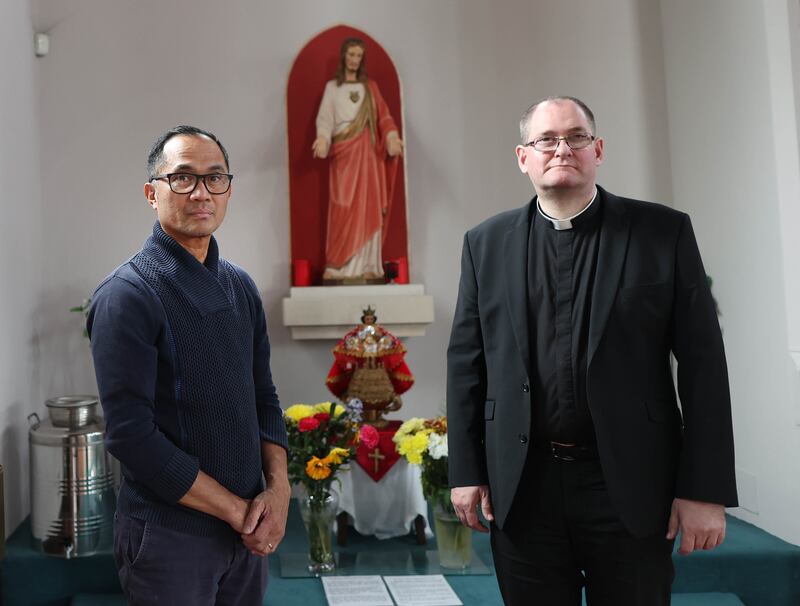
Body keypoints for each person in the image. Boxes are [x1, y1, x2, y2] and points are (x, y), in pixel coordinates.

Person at [446, 97, 737, 605]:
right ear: (524, 157)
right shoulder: (484, 244)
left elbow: (703, 367)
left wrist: (705, 490)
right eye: (547, 140)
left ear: (597, 149)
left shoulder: (662, 233)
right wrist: (466, 472)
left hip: (629, 482)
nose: (562, 149)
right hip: (523, 485)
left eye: (576, 137)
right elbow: (466, 365)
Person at [87, 125, 290, 605]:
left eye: (214, 178)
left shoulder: (240, 287)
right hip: (170, 538)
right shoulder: (127, 295)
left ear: (228, 190)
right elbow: (132, 438)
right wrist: (239, 511)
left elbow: (264, 398)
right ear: (151, 194)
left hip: (245, 536)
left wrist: (278, 492)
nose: (201, 192)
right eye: (182, 178)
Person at [312, 37, 403, 281]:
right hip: (343, 152)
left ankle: (368, 265)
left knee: (369, 205)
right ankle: (339, 265)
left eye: (358, 56)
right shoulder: (333, 87)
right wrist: (322, 138)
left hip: (368, 153)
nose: (354, 60)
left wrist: (392, 137)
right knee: (342, 205)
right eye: (350, 54)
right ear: (344, 56)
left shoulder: (370, 87)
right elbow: (325, 119)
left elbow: (384, 117)